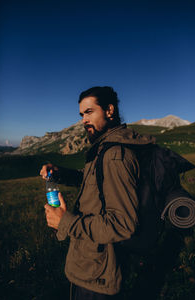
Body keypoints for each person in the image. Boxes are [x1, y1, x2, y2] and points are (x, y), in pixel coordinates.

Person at [40, 86, 154, 299]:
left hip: (97, 277)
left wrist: (65, 222)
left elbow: (122, 224)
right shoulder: (105, 148)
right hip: (91, 267)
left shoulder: (114, 155)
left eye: (89, 112)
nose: (84, 120)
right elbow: (95, 180)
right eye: (82, 114)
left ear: (109, 110)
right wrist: (60, 173)